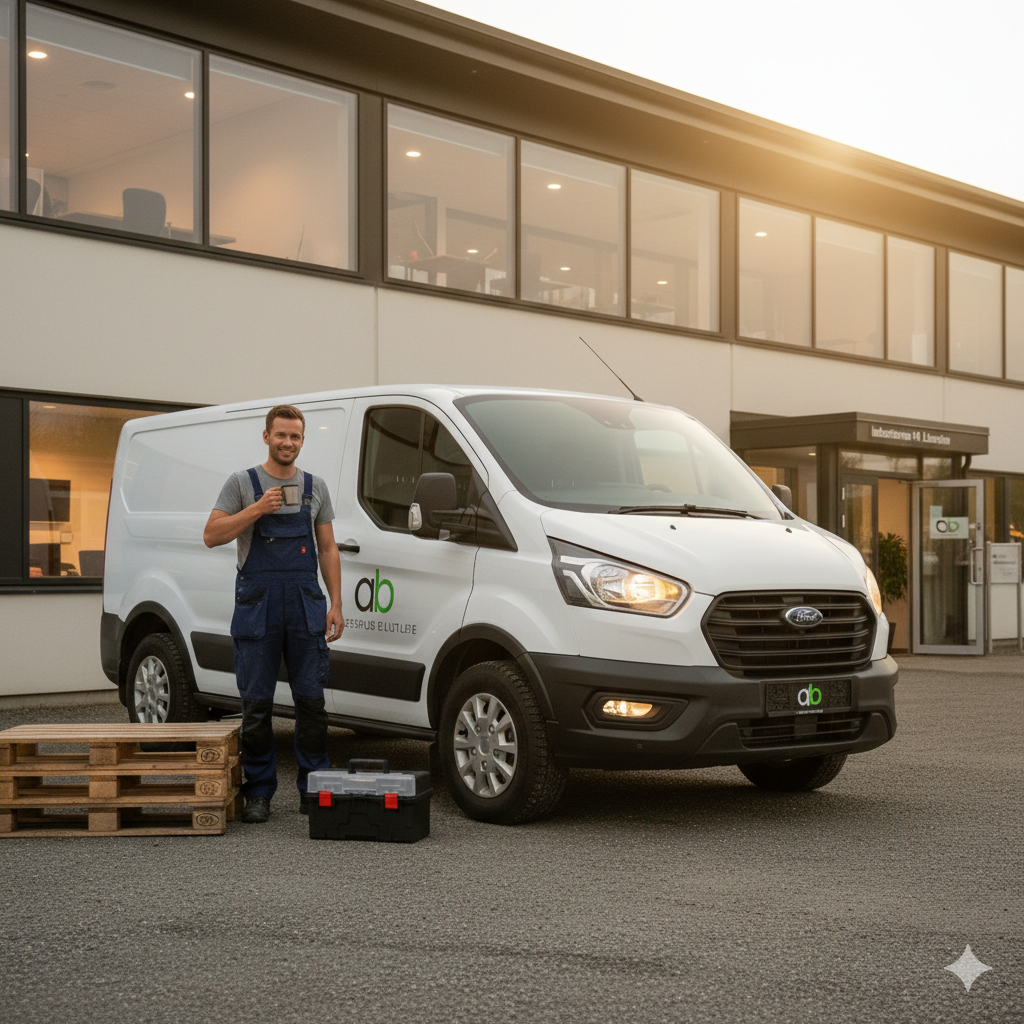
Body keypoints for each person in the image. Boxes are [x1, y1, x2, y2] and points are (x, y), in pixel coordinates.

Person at [203, 405, 344, 823]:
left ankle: (314, 786)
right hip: (258, 607)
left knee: (312, 701)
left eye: (295, 437)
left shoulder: (315, 487)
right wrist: (257, 509)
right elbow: (212, 535)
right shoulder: (242, 484)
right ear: (266, 437)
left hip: (304, 606)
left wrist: (335, 603)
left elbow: (328, 548)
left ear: (302, 441)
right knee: (257, 704)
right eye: (280, 435)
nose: (287, 443)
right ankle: (260, 791)